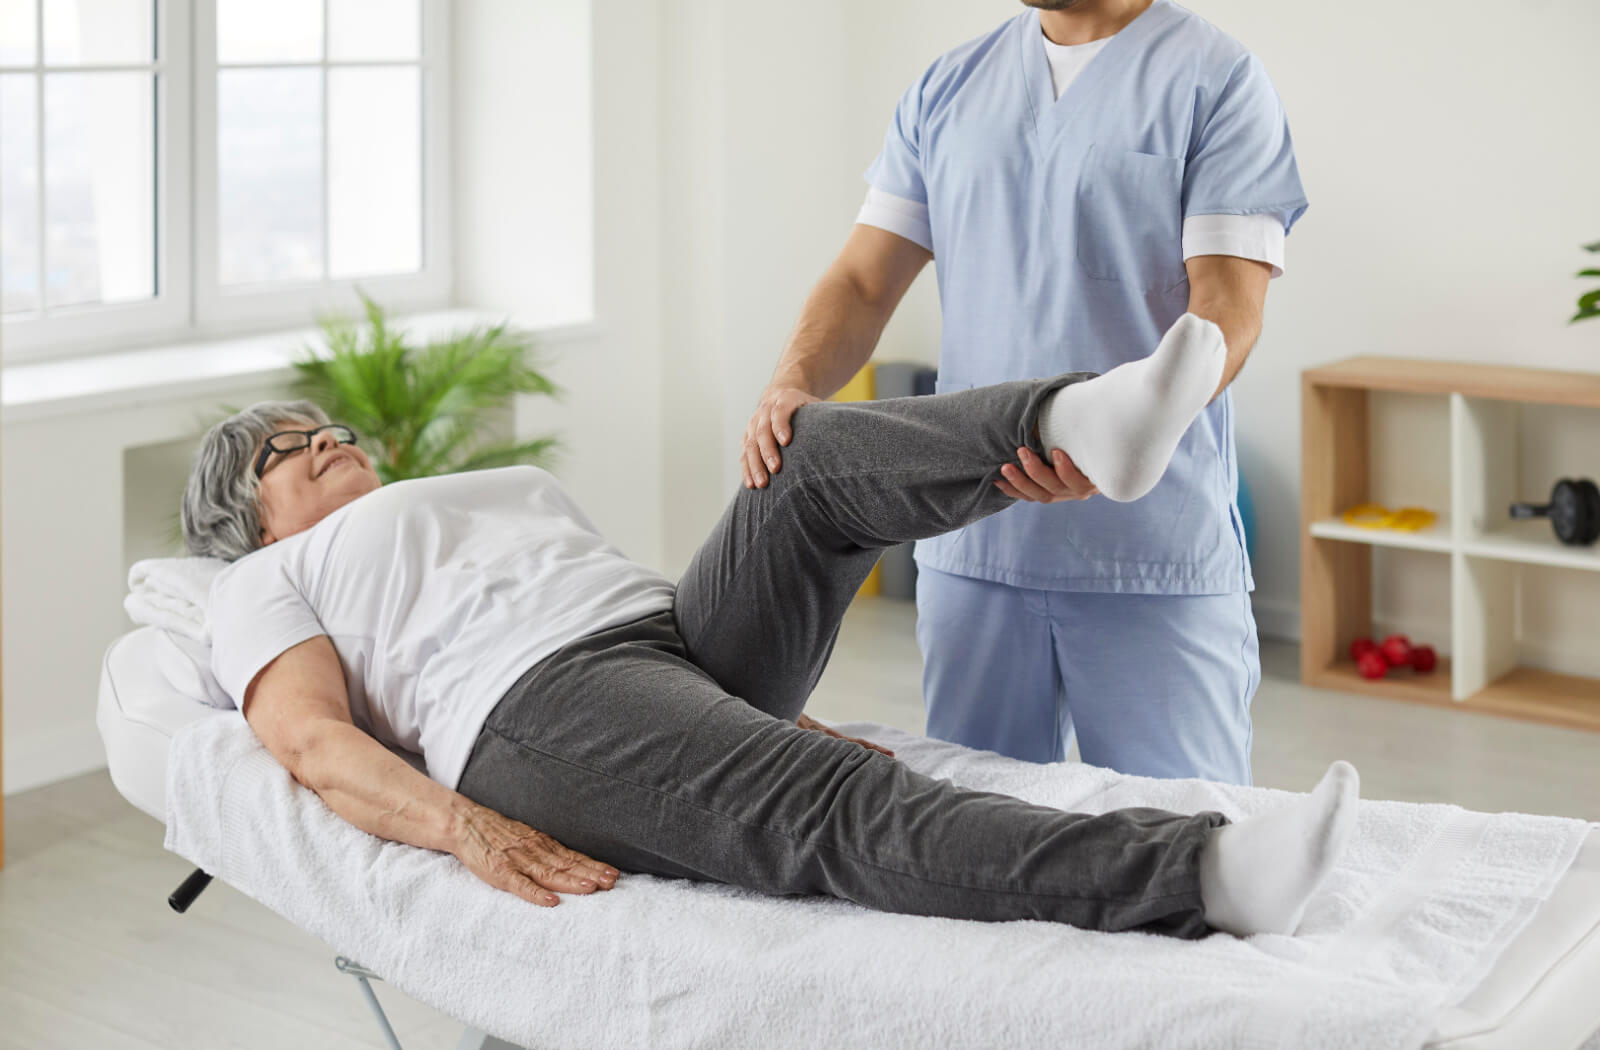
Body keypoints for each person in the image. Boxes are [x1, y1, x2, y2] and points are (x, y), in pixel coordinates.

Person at [181, 330, 1354, 940]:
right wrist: (460, 828)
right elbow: (309, 744)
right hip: (530, 710)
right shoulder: (263, 582)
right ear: (248, 517)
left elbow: (593, 584)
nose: (322, 438)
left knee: (808, 461)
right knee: (830, 801)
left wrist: (748, 706)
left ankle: (1080, 422)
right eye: (285, 450)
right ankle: (1198, 873)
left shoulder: (451, 496)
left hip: (664, 637)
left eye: (319, 425)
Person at [740, 0, 1307, 785]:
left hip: (1147, 552)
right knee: (979, 841)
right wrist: (792, 381)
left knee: (1184, 840)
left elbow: (1226, 310)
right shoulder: (948, 87)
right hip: (973, 540)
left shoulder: (1216, 79)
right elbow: (865, 281)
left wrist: (1132, 429)